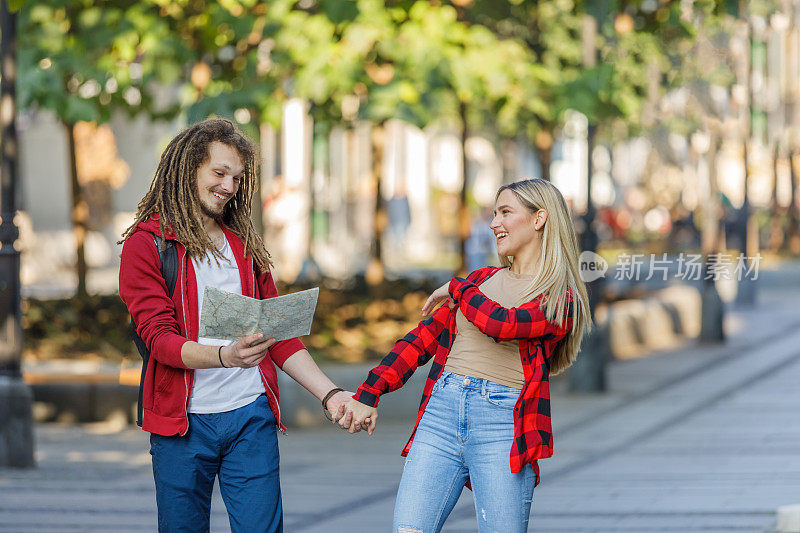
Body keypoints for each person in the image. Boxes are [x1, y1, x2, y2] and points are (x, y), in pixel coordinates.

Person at [118, 118, 353, 533]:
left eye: (238, 178)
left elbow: (277, 336)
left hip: (250, 416)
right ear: (189, 168)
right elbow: (161, 341)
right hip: (182, 424)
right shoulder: (147, 243)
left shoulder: (242, 245)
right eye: (219, 172)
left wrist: (330, 394)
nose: (229, 186)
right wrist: (225, 356)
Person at [335, 178, 591, 532]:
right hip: (440, 415)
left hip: (503, 427)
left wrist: (457, 286)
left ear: (539, 218)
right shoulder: (481, 281)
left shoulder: (560, 298)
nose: (493, 223)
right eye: (493, 213)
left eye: (505, 212)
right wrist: (369, 393)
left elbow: (502, 324)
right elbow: (420, 340)